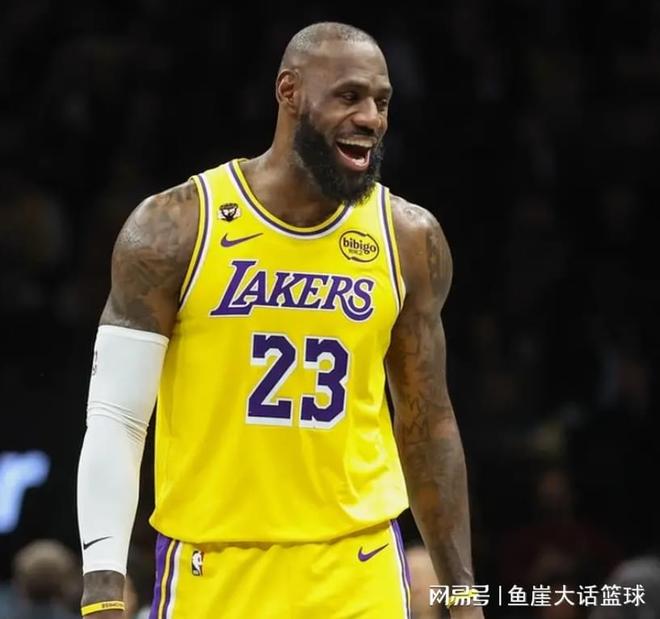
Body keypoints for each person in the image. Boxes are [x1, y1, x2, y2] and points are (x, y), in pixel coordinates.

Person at [76, 21, 482, 618]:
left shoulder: (408, 237)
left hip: (358, 568)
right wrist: (102, 583)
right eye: (349, 96)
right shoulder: (174, 228)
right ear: (289, 91)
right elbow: (118, 418)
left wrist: (463, 595)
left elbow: (427, 422)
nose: (370, 117)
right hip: (212, 569)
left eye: (382, 101)